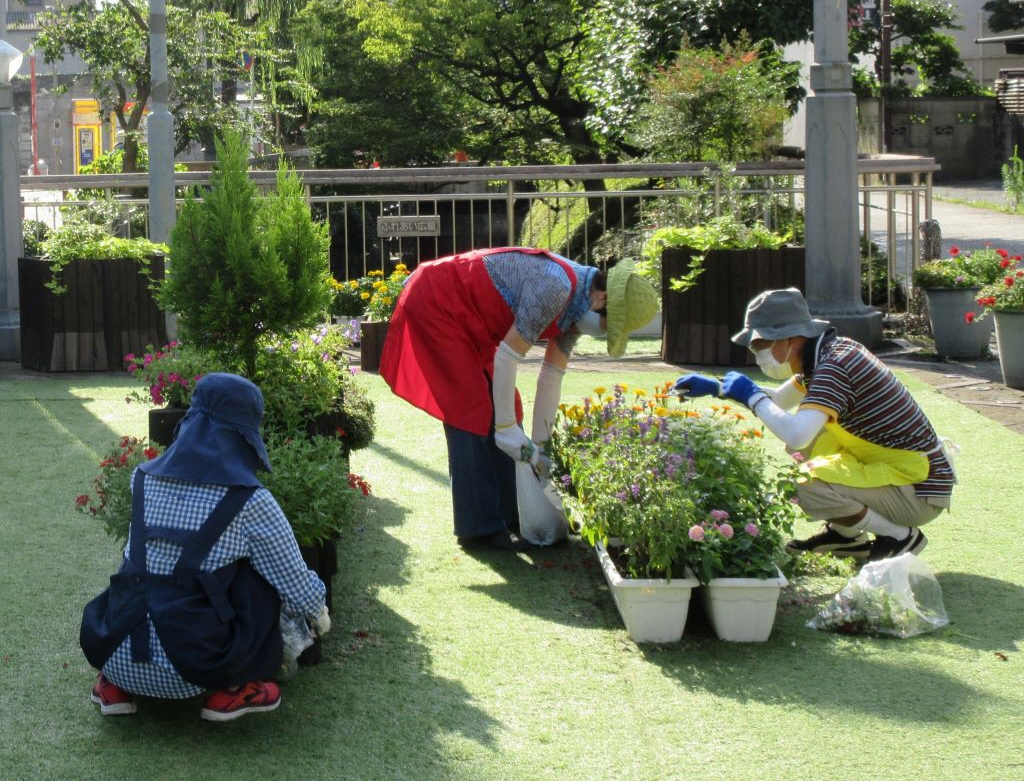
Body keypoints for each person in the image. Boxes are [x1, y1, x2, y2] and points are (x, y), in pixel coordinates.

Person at [79, 373, 330, 723]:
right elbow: (295, 586)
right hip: (198, 663)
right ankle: (231, 690)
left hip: (112, 645)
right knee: (255, 578)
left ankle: (115, 686)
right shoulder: (251, 501)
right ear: (244, 435)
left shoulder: (142, 478)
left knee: (140, 572)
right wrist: (319, 614)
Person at [379, 248, 659, 549]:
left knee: (505, 408)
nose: (602, 332)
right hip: (437, 300)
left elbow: (551, 376)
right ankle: (479, 529)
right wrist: (505, 428)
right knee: (469, 409)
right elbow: (507, 358)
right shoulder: (556, 288)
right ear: (602, 300)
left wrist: (541, 447)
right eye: (608, 327)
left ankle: (513, 514)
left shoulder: (579, 305)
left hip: (474, 321)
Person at [673, 287, 954, 562]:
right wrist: (719, 388)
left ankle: (899, 536)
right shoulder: (826, 355)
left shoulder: (833, 368)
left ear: (790, 339)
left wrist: (751, 395)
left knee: (803, 481)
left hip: (918, 492)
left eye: (760, 343)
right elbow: (781, 401)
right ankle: (845, 535)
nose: (756, 351)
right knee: (812, 438)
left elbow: (795, 434)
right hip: (906, 474)